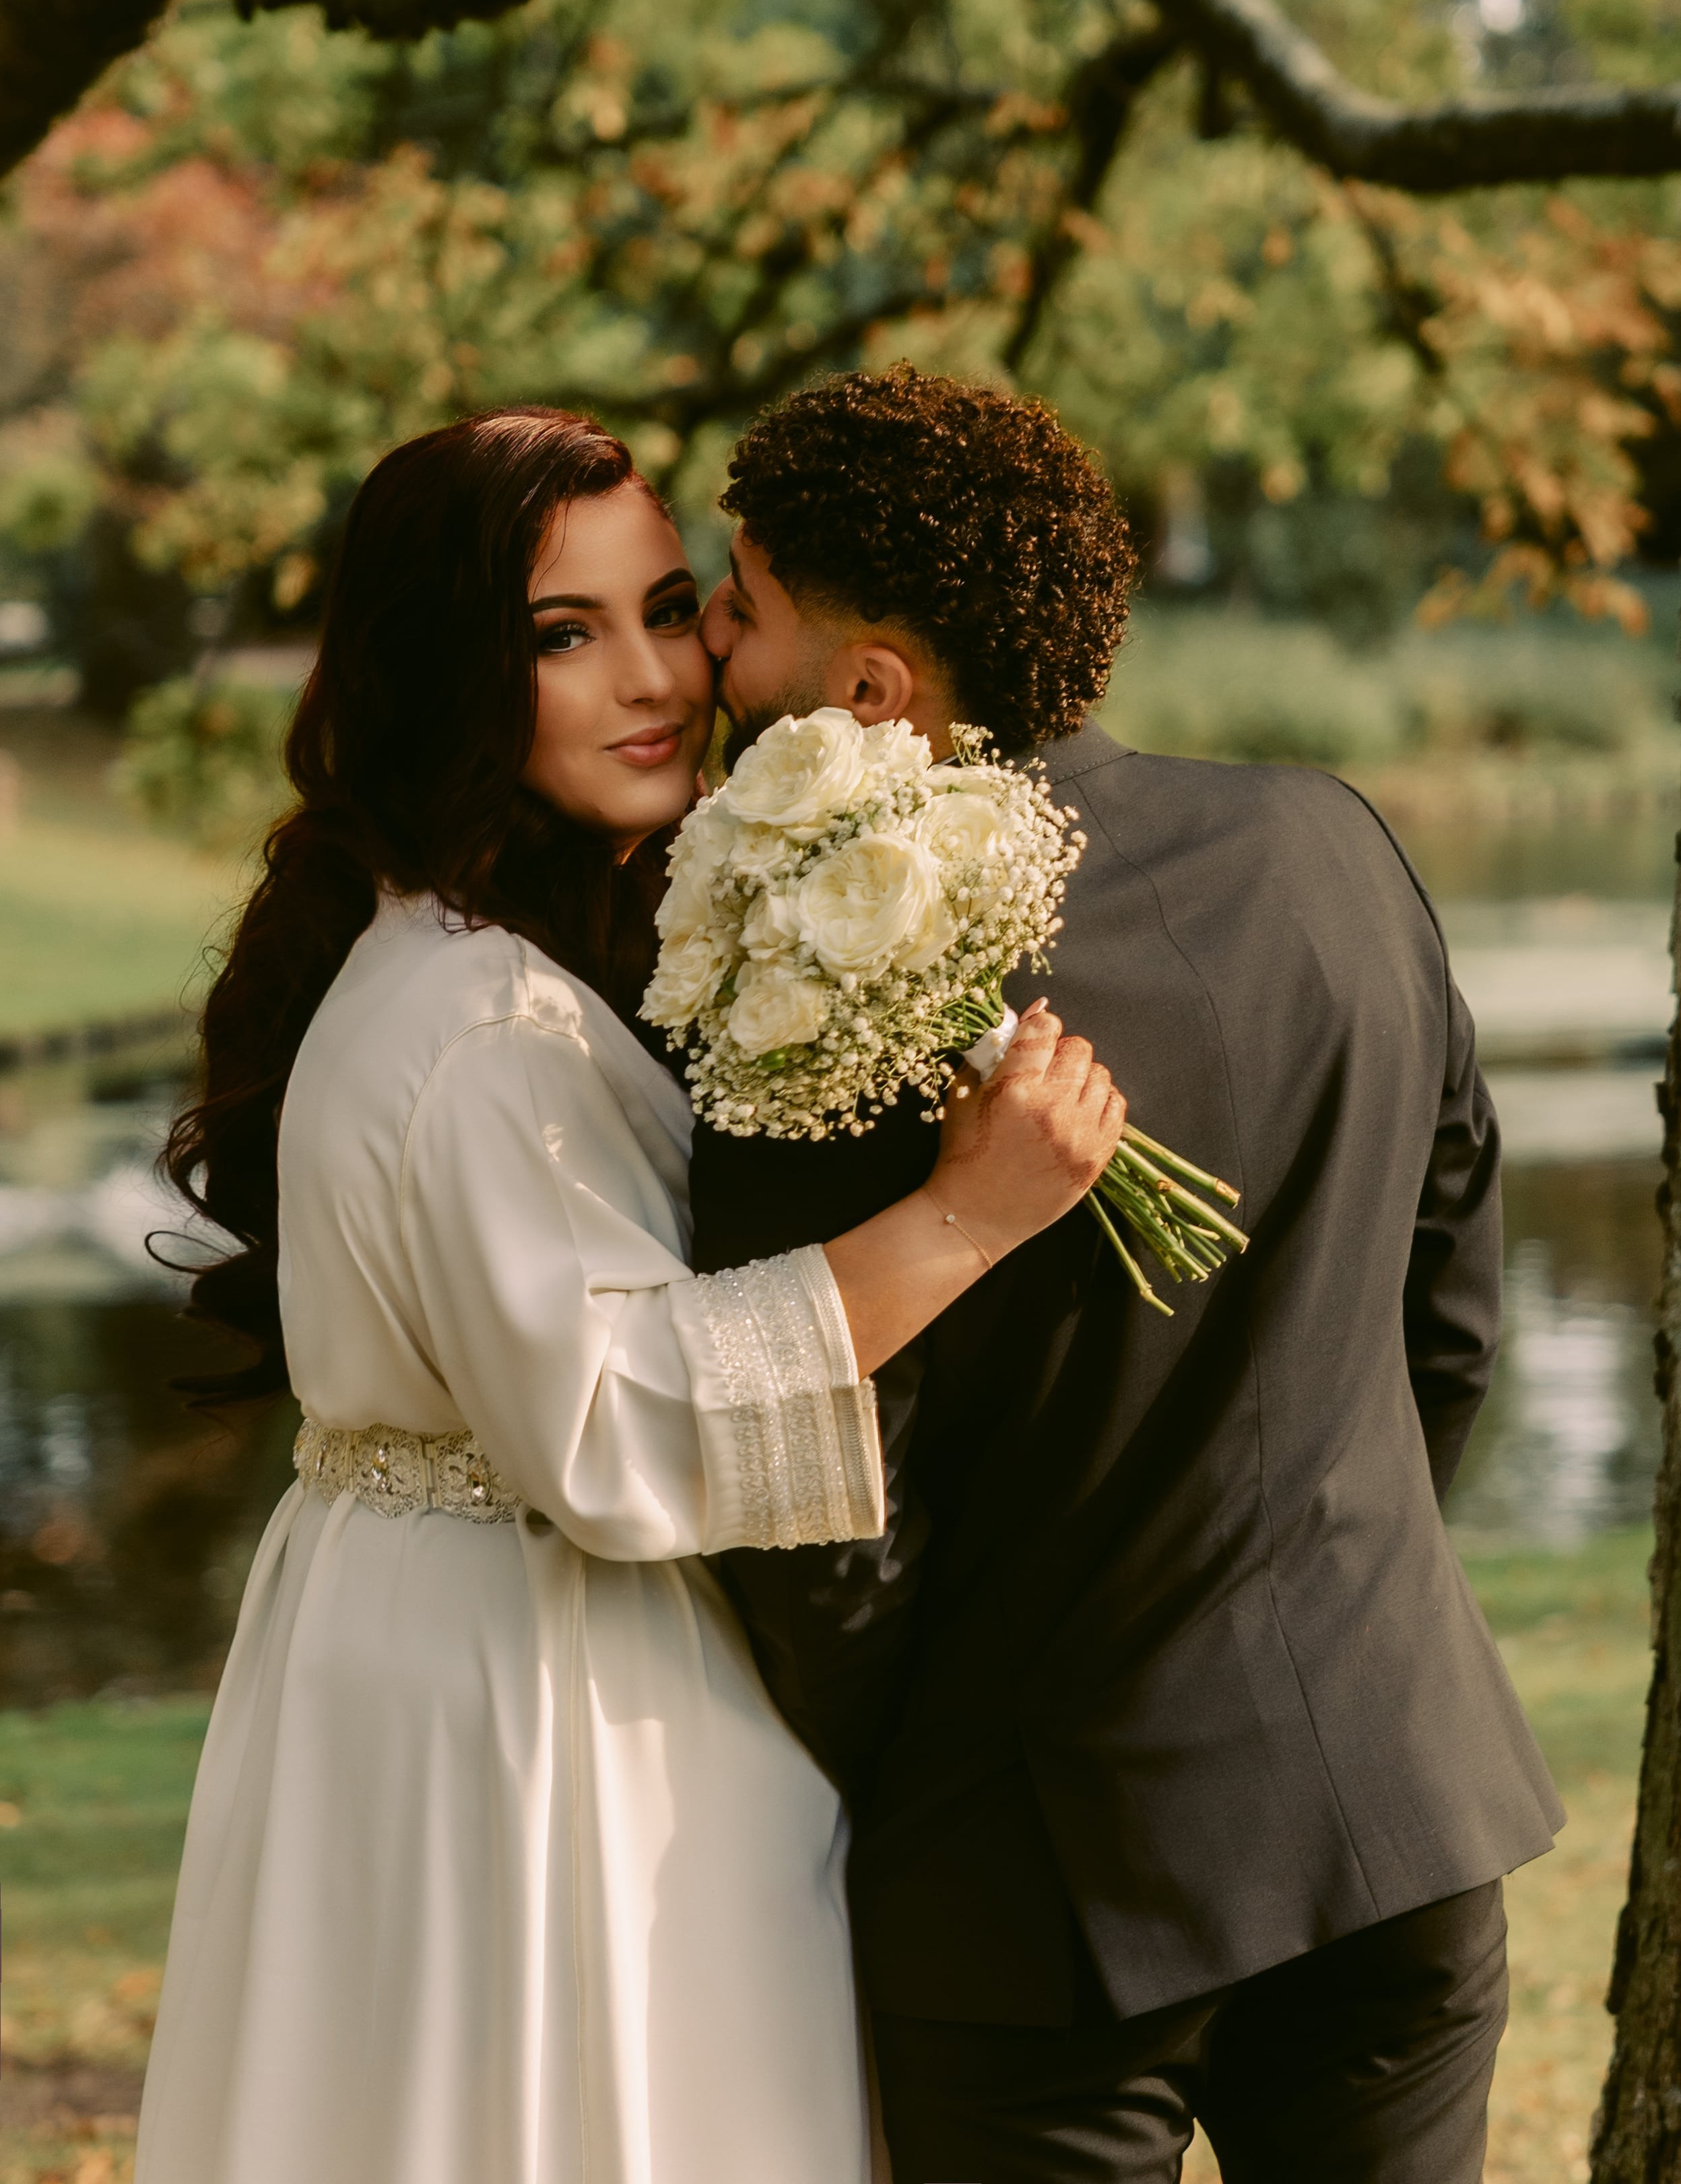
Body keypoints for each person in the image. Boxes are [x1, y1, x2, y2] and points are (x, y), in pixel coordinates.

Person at [133, 404, 1124, 2184]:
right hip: (524, 1676)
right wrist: (968, 1221)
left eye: (673, 610)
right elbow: (614, 1417)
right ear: (449, 667)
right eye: (563, 636)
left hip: (432, 1640)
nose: (656, 676)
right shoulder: (482, 1026)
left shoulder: (468, 950)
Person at [689, 364, 1565, 2184]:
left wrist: (907, 1761)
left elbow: (813, 1467)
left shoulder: (817, 998)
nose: (705, 640)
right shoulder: (1334, 839)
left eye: (740, 597)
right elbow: (1454, 1293)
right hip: (1392, 1805)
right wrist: (1340, 1578)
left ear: (871, 691)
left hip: (1035, 1878)